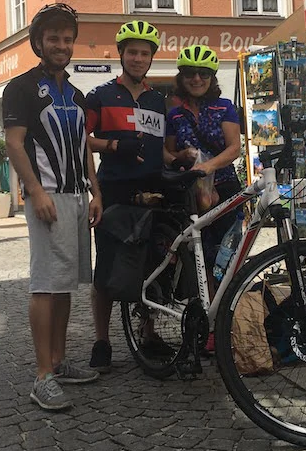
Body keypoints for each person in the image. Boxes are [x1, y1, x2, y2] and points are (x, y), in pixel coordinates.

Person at [3, 2, 103, 411]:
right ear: (38, 43)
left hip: (77, 195)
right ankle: (42, 374)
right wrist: (35, 191)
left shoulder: (76, 94)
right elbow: (13, 143)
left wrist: (96, 192)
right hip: (47, 196)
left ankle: (59, 363)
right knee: (45, 284)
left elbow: (83, 150)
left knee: (65, 284)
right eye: (53, 39)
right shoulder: (21, 88)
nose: (61, 45)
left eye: (67, 39)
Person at [85, 20, 181, 373]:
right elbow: (80, 142)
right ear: (121, 54)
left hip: (154, 192)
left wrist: (179, 159)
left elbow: (161, 150)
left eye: (145, 53)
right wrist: (111, 144)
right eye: (133, 52)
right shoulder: (101, 95)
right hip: (115, 191)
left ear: (152, 58)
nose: (139, 58)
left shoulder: (158, 100)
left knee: (153, 267)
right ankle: (101, 342)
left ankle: (148, 331)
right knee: (107, 271)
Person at [165, 45, 242, 299]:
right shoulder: (175, 114)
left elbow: (234, 148)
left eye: (203, 74)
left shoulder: (224, 107)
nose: (197, 79)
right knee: (201, 256)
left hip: (225, 188)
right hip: (192, 193)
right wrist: (181, 157)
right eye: (190, 73)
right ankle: (207, 315)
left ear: (212, 78)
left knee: (228, 254)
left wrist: (209, 166)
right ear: (181, 77)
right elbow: (167, 154)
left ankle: (228, 311)